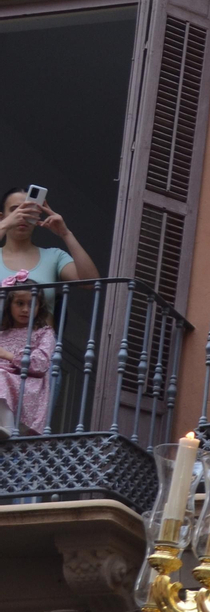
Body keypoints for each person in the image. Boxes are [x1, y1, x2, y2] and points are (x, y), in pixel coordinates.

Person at [0, 187, 100, 309]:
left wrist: (66, 234)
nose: (22, 215)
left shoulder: (54, 256)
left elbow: (91, 282)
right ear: (2, 217)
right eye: (15, 210)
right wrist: (3, 225)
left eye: (29, 210)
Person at [0, 273, 57, 440]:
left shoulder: (43, 333)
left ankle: (8, 428)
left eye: (32, 304)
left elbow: (40, 363)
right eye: (20, 303)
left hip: (28, 385)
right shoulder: (2, 334)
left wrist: (7, 355)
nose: (26, 309)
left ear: (40, 307)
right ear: (9, 305)